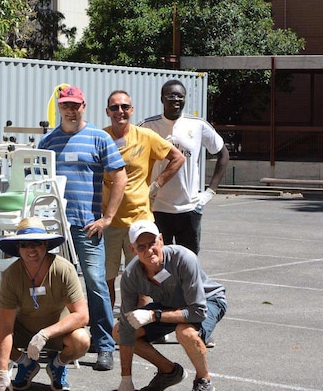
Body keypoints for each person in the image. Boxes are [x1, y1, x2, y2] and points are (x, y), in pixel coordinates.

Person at [37, 85, 126, 372]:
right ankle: (53, 339)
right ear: (59, 107)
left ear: (84, 106)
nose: (70, 110)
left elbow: (120, 177)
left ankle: (104, 346)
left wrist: (107, 218)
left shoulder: (99, 138)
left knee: (96, 284)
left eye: (75, 105)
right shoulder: (48, 141)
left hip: (86, 226)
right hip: (52, 227)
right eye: (65, 105)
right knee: (49, 283)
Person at [0, 218, 89, 391]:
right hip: (22, 328)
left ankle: (58, 365)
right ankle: (26, 363)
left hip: (58, 330)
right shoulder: (11, 274)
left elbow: (82, 315)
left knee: (82, 340)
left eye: (36, 242)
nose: (31, 249)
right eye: (24, 244)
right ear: (18, 248)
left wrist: (45, 334)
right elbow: (6, 326)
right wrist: (1, 372)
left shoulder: (63, 269)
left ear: (45, 244)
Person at [115, 220, 227, 391]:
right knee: (120, 330)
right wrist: (126, 380)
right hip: (168, 305)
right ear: (132, 249)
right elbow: (125, 328)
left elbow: (197, 311)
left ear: (161, 240)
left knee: (185, 332)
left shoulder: (184, 258)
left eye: (152, 243)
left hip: (207, 301)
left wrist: (154, 315)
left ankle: (203, 381)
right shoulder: (130, 275)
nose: (149, 250)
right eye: (141, 247)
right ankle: (169, 371)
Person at [103, 90, 185, 307]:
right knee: (106, 279)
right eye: (114, 107)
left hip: (139, 221)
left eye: (124, 107)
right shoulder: (101, 138)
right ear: (107, 112)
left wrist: (156, 184)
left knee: (146, 276)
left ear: (132, 110)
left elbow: (177, 158)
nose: (120, 111)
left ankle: (147, 325)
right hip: (109, 222)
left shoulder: (145, 136)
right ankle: (107, 330)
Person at [140, 80, 230, 254]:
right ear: (162, 99)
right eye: (171, 96)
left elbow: (223, 154)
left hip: (189, 208)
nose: (176, 100)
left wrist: (210, 192)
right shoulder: (147, 126)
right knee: (159, 262)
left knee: (188, 263)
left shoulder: (197, 125)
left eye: (180, 96)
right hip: (157, 208)